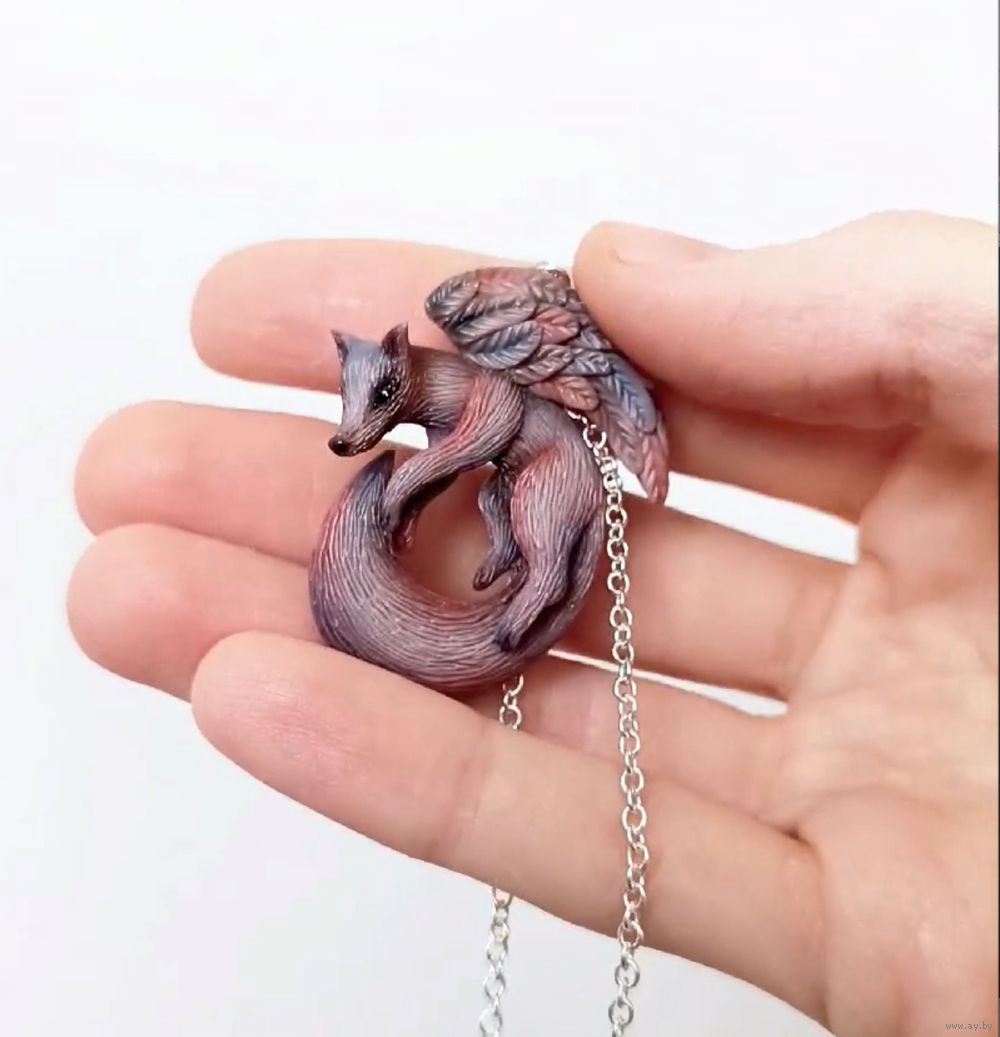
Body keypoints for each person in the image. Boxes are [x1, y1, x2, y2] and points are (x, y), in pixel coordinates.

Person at [68, 211, 998, 1035]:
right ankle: (522, 572)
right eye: (361, 410)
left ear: (400, 362)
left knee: (541, 530)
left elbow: (484, 433)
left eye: (377, 404)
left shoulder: (464, 384)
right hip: (515, 484)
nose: (364, 424)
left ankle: (537, 584)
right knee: (509, 513)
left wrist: (417, 478)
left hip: (552, 468)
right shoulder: (408, 396)